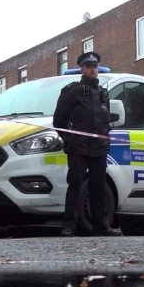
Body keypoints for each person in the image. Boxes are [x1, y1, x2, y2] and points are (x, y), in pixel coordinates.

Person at [54, 52, 120, 237]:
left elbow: (106, 121)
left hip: (99, 148)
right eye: (89, 66)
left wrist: (105, 136)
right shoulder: (71, 91)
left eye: (95, 66)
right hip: (78, 148)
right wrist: (70, 140)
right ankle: (69, 226)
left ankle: (102, 226)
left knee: (98, 187)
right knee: (75, 185)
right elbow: (58, 120)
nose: (93, 69)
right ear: (82, 68)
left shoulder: (102, 93)